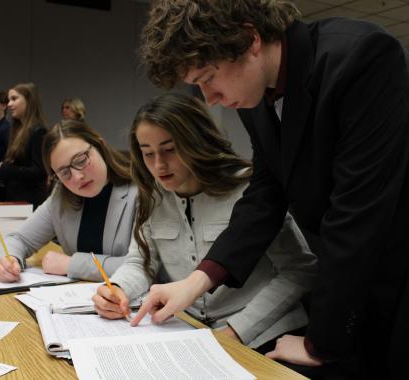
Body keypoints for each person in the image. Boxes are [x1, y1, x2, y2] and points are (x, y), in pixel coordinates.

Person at [133, 1, 409, 378]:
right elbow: (265, 196)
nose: (209, 98)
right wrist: (195, 281)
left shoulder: (363, 56)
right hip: (354, 282)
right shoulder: (254, 93)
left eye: (208, 78)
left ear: (250, 39)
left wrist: (320, 342)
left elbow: (357, 214)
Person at [93, 93, 317, 350]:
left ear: (196, 141)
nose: (159, 165)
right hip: (193, 332)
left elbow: (300, 270)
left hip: (265, 335)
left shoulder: (251, 191)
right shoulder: (153, 195)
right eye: (147, 153)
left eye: (170, 150)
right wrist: (118, 290)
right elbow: (141, 261)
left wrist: (236, 330)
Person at [0, 119, 137, 283]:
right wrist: (8, 259)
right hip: (74, 301)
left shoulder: (140, 193)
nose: (77, 177)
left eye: (81, 160)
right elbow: (19, 239)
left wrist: (71, 265)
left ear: (101, 146)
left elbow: (144, 267)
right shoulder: (60, 196)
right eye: (64, 172)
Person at [0, 83, 48, 208]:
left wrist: (3, 170)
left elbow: (38, 172)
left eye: (14, 99)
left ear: (29, 101)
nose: (9, 104)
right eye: (9, 100)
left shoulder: (39, 132)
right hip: (15, 199)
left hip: (30, 202)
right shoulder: (15, 130)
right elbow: (17, 165)